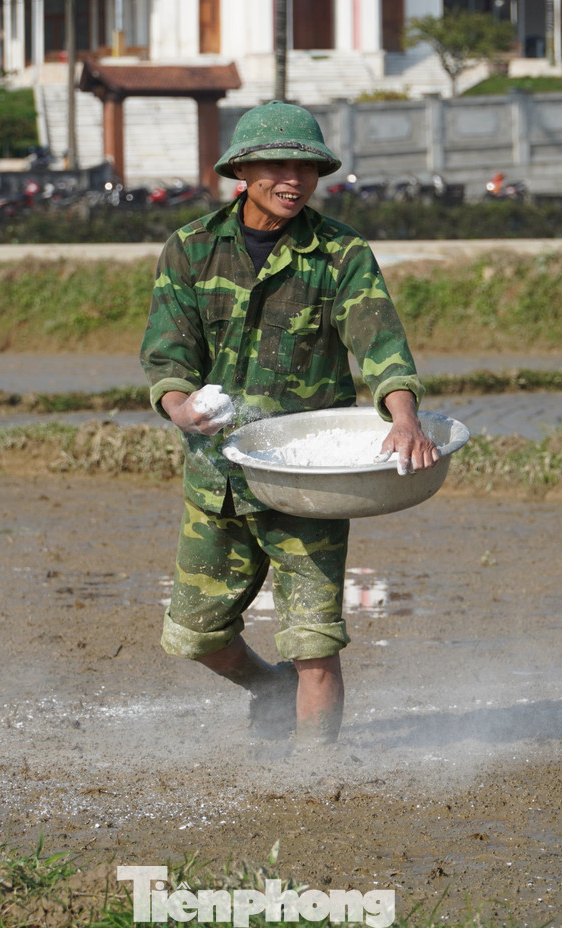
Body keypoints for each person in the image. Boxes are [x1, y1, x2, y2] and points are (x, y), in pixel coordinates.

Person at [139, 101, 439, 748]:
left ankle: (315, 781)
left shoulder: (341, 254)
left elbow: (379, 342)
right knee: (195, 633)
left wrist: (405, 416)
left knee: (314, 641)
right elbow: (167, 356)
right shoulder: (191, 251)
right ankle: (266, 688)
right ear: (242, 170)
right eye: (276, 164)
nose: (292, 179)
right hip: (217, 478)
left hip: (307, 484)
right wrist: (181, 408)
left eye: (304, 166)